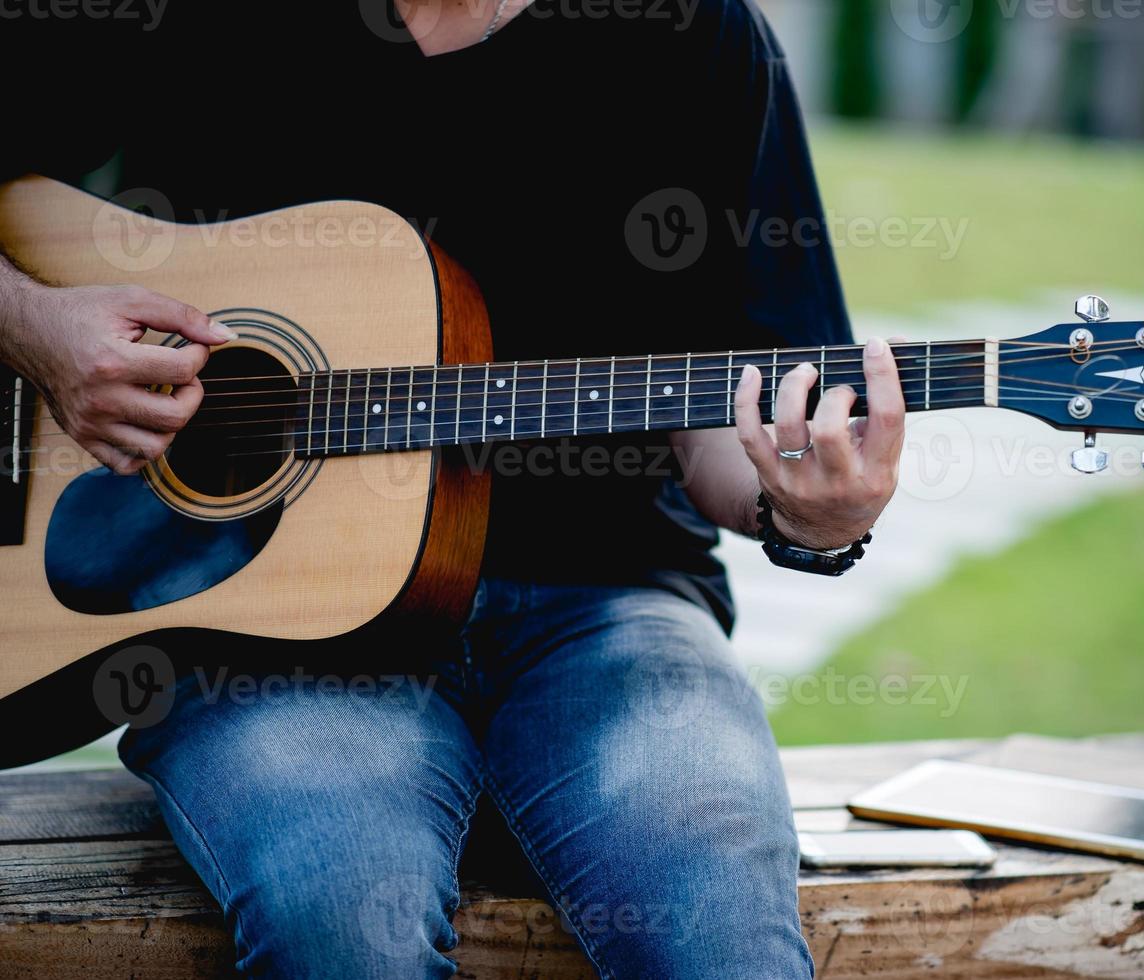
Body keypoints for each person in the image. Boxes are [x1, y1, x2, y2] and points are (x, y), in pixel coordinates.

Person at [0, 1, 904, 977]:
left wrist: (808, 512)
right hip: (253, 625)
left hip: (604, 605)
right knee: (342, 921)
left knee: (719, 931)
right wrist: (39, 328)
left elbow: (727, 422)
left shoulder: (696, 34)